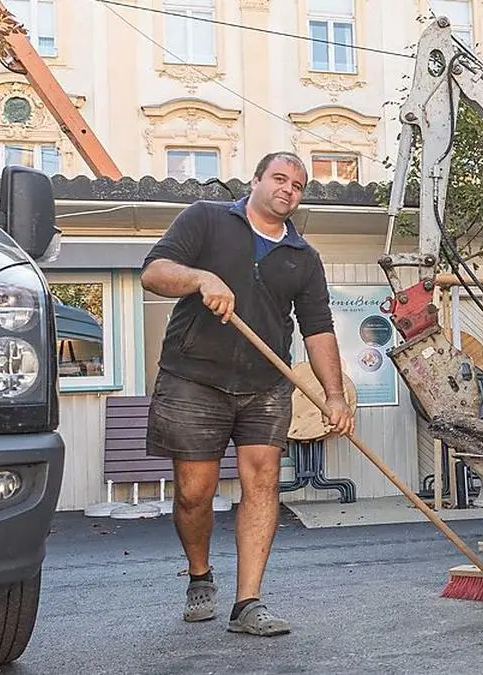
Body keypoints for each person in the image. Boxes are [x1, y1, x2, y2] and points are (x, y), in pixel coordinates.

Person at [140, 151, 355, 637]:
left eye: (298, 185)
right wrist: (199, 278)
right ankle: (200, 576)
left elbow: (318, 329)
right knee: (195, 493)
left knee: (263, 483)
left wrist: (334, 395)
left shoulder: (303, 257)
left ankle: (247, 603)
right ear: (256, 181)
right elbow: (153, 272)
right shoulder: (207, 220)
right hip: (194, 378)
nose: (288, 189)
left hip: (264, 385)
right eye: (279, 178)